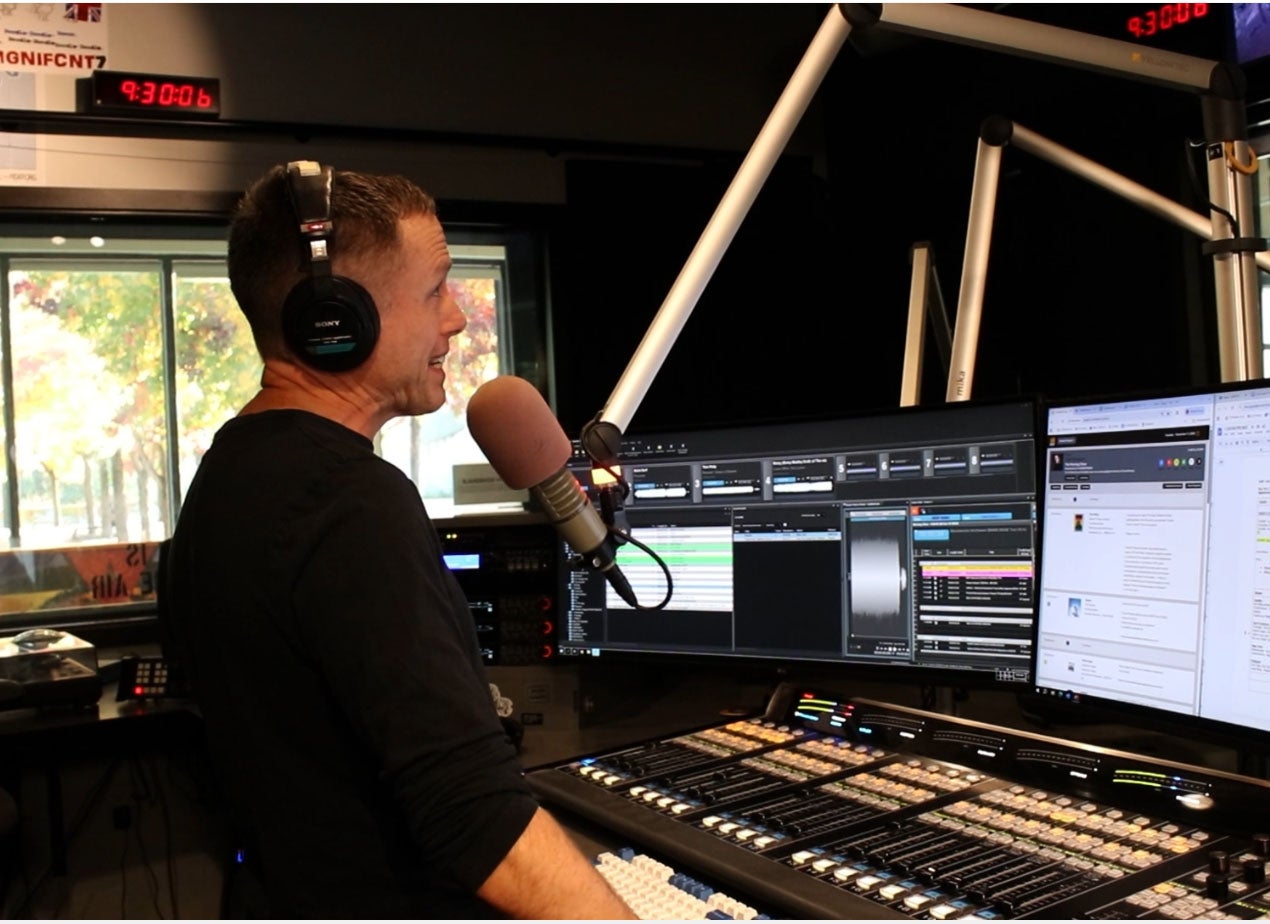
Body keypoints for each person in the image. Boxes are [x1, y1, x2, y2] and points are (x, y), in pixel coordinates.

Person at [164, 162, 636, 919]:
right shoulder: (351, 505)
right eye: (435, 288)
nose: (455, 318)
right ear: (335, 315)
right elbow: (476, 821)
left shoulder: (229, 473)